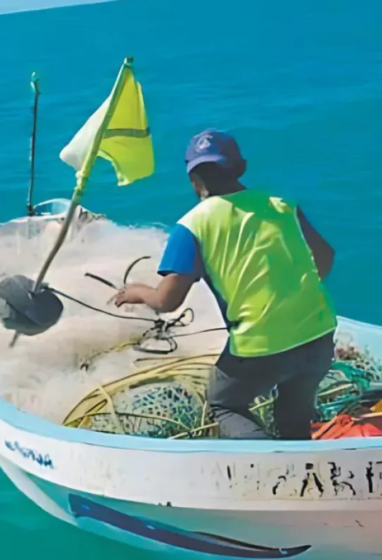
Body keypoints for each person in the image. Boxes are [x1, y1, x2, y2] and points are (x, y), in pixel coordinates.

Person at [114, 129, 338, 440]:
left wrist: (137, 291)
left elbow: (167, 301)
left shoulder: (192, 226)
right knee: (294, 414)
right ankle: (298, 468)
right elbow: (325, 258)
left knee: (224, 404)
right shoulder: (282, 204)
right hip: (319, 333)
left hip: (260, 347)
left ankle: (269, 465)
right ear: (241, 168)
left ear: (194, 182)